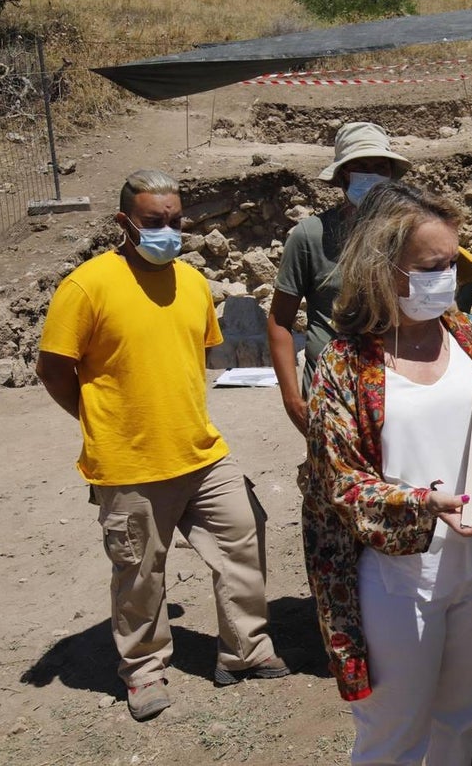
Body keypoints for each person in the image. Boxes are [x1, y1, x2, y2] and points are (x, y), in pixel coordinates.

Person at [35, 170, 288, 723]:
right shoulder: (86, 285)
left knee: (243, 536)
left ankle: (245, 651)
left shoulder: (194, 283)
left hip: (200, 452)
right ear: (125, 223)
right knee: (140, 572)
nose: (169, 232)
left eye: (176, 221)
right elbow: (54, 369)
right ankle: (144, 671)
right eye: (155, 223)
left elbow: (190, 359)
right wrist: (97, 419)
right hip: (127, 464)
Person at [302, 181, 472, 765]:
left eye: (452, 262)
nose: (448, 278)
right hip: (399, 578)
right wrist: (421, 505)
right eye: (431, 267)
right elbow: (340, 480)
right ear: (383, 269)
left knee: (461, 715)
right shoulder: (347, 362)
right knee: (394, 731)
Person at [267, 122, 411, 435]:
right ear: (342, 175)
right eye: (360, 167)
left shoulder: (408, 234)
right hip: (330, 389)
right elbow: (280, 321)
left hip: (397, 387)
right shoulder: (310, 236)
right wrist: (292, 399)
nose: (371, 174)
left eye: (379, 167)